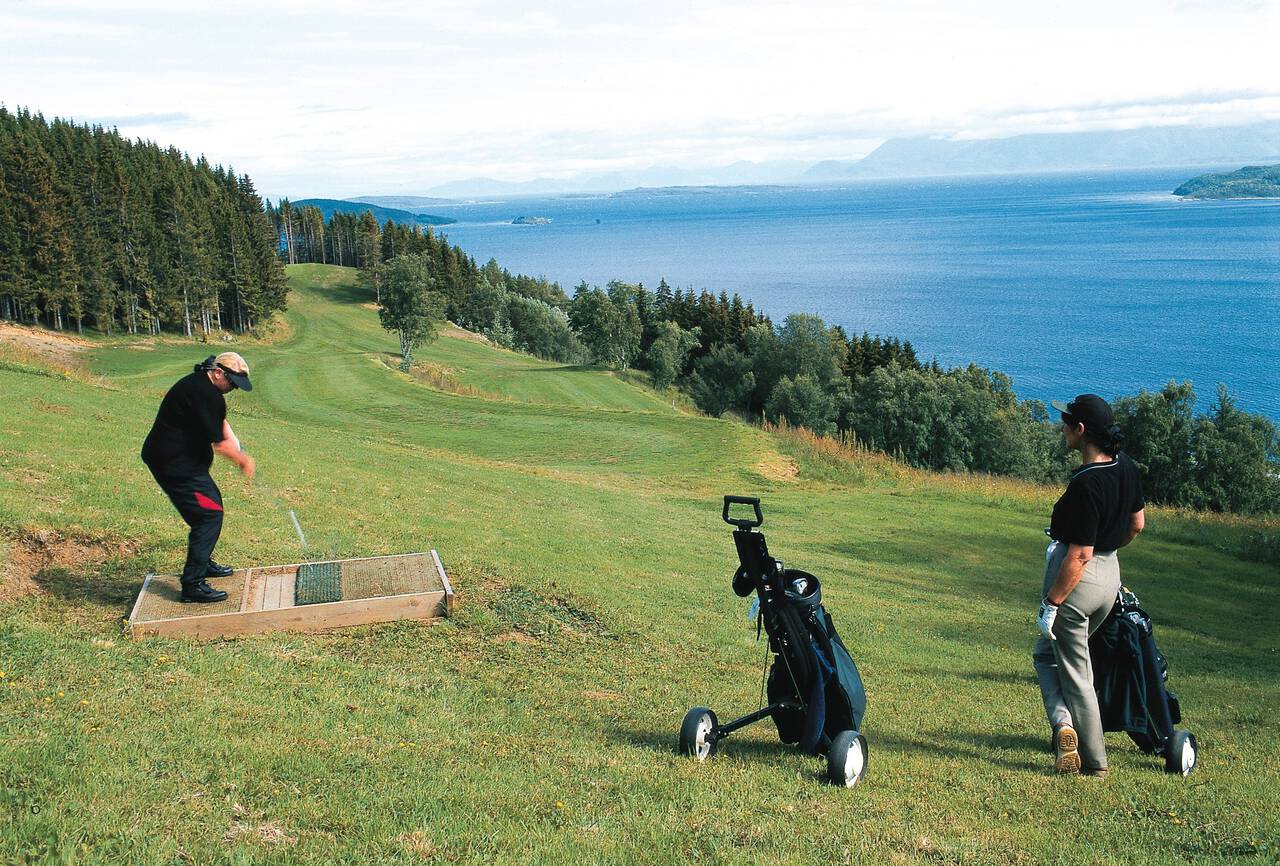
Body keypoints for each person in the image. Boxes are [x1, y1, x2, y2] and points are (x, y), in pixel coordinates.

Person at [1032, 393, 1144, 778]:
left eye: (1066, 422)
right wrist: (1108, 555)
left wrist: (1052, 603)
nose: (1061, 428)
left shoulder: (1085, 484)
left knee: (1064, 665)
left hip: (1079, 581)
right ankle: (1065, 727)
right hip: (1109, 577)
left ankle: (1093, 759)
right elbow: (1136, 524)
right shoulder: (1125, 466)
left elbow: (1078, 555)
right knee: (1064, 657)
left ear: (1081, 431)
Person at [141, 352, 256, 603]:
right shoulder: (206, 394)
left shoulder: (200, 385)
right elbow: (220, 444)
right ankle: (193, 585)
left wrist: (237, 445)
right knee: (208, 515)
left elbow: (219, 423)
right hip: (175, 465)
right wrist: (243, 460)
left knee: (209, 510)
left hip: (182, 462)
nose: (233, 389)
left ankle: (202, 563)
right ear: (218, 373)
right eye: (232, 383)